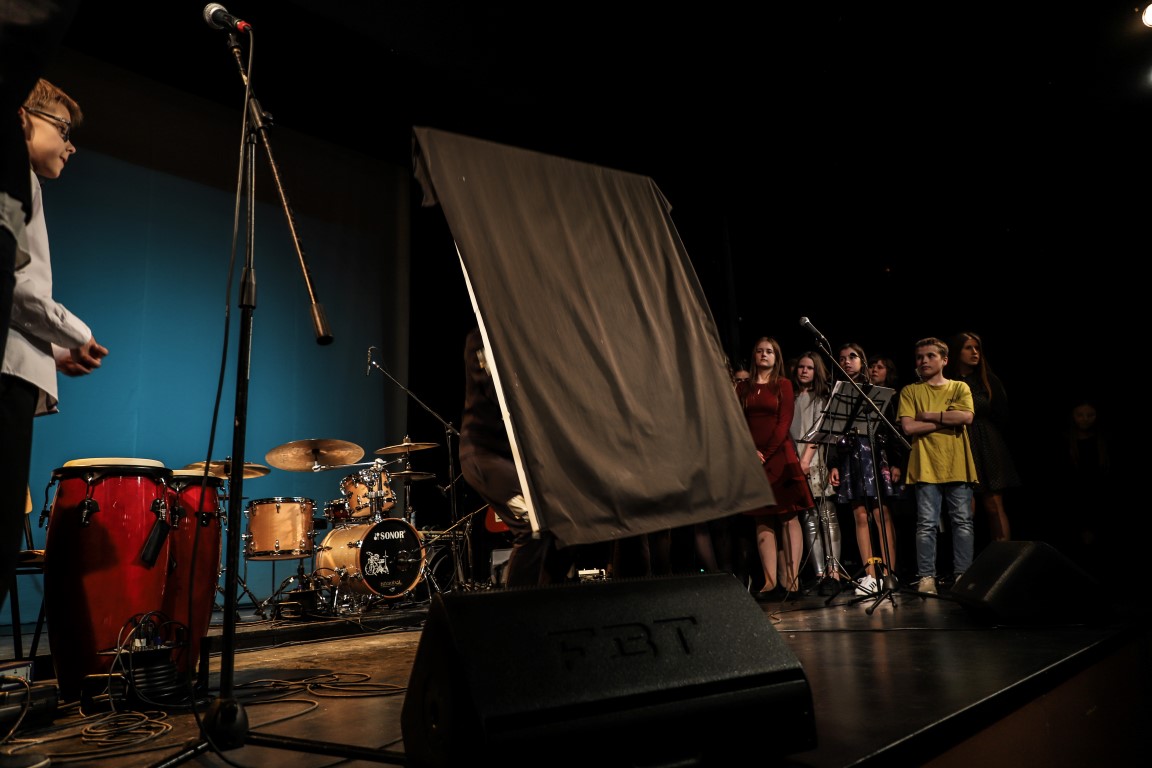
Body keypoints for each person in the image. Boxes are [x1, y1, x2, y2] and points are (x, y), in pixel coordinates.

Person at [1, 78, 107, 621]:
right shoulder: (14, 178)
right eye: (63, 130)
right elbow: (17, 288)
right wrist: (77, 334)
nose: (71, 146)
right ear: (23, 117)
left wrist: (54, 355)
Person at [458, 326, 576, 587]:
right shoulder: (481, 337)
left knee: (568, 527)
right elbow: (498, 390)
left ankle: (547, 599)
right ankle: (516, 608)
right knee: (533, 527)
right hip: (484, 456)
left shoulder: (526, 335)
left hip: (516, 458)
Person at [897, 337, 978, 595]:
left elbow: (967, 417)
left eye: (930, 356)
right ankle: (927, 577)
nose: (924, 361)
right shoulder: (910, 391)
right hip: (925, 465)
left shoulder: (959, 387)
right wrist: (948, 419)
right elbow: (909, 427)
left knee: (962, 521)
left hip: (957, 464)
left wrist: (929, 416)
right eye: (919, 357)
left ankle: (963, 574)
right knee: (926, 524)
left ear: (944, 360)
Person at [735, 337, 813, 601]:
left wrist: (766, 454)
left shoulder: (783, 384)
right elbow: (737, 422)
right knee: (762, 517)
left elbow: (783, 422)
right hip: (753, 458)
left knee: (788, 516)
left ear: (776, 357)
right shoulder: (742, 387)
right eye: (759, 351)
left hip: (779, 455)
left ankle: (792, 580)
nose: (764, 355)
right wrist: (750, 451)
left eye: (769, 351)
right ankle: (769, 582)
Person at [827, 342, 899, 596]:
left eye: (852, 356)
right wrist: (833, 464)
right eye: (842, 358)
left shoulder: (876, 392)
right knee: (859, 515)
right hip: (850, 457)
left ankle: (889, 574)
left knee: (881, 513)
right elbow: (832, 432)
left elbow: (891, 429)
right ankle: (870, 576)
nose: (847, 361)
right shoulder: (836, 393)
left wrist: (896, 462)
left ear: (862, 361)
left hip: (874, 455)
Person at [945, 331, 1021, 544]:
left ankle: (1003, 556)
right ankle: (964, 558)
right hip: (959, 442)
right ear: (957, 351)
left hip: (986, 443)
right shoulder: (949, 382)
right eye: (968, 347)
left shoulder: (987, 380)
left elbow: (1002, 414)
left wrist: (986, 435)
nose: (975, 352)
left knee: (993, 505)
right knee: (964, 507)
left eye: (977, 348)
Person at [789, 350, 843, 595]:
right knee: (809, 518)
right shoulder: (790, 397)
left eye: (809, 367)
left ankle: (835, 571)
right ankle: (820, 574)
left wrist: (814, 460)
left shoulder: (823, 398)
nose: (804, 371)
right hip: (795, 457)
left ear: (817, 371)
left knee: (827, 515)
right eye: (801, 366)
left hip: (817, 458)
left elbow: (825, 433)